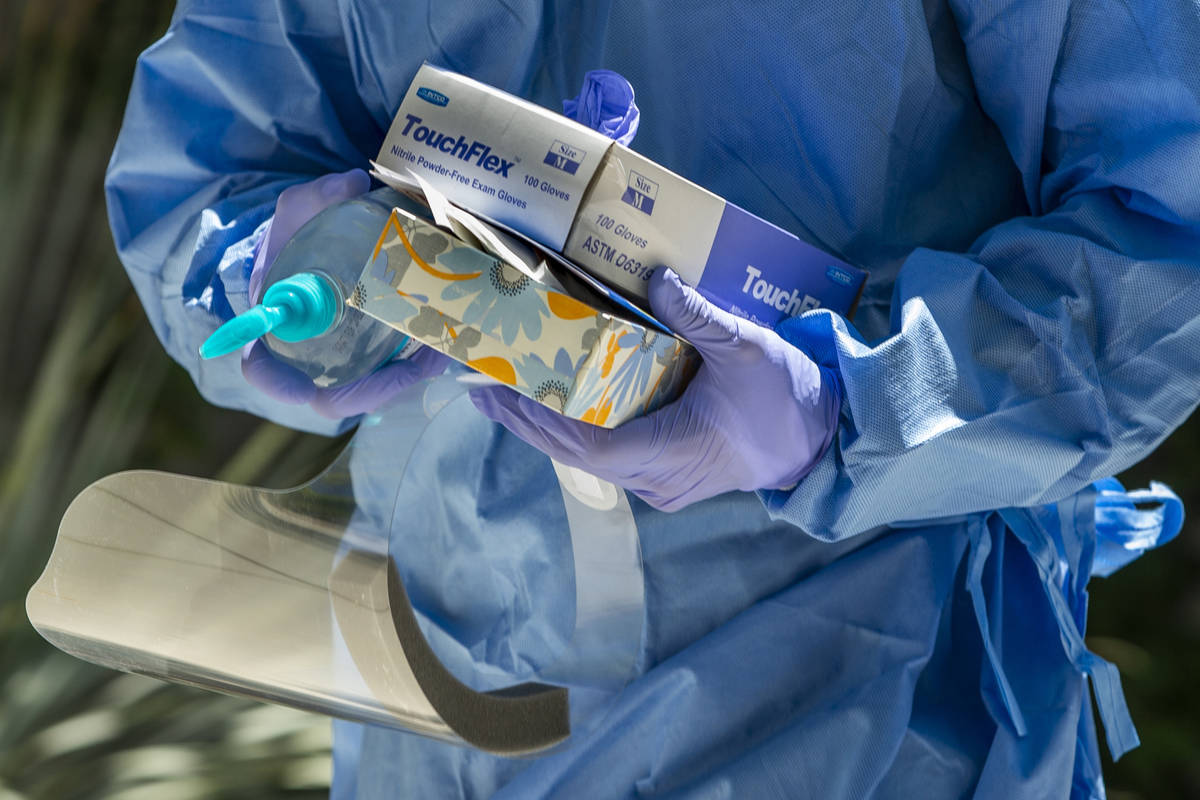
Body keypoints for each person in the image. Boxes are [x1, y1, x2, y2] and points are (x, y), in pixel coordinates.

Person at [105, 2, 1199, 797]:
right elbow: (201, 170)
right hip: (433, 686)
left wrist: (857, 405)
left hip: (858, 698)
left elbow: (1168, 236)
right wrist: (271, 268)